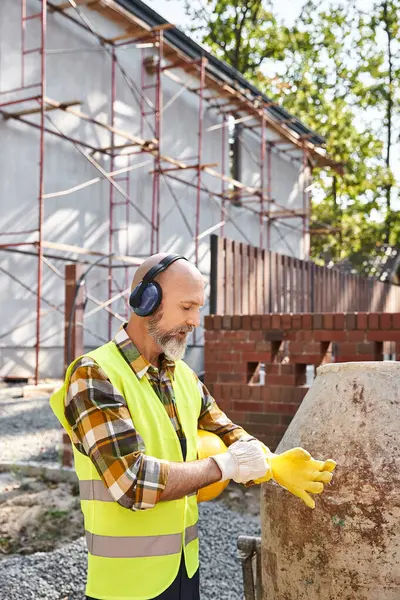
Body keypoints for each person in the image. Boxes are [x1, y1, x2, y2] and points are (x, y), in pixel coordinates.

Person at [50, 253, 336, 600]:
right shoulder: (95, 375)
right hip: (125, 584)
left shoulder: (182, 376)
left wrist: (271, 464)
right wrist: (225, 466)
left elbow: (227, 432)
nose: (195, 320)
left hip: (185, 571)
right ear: (146, 301)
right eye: (186, 307)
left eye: (198, 308)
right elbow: (133, 483)